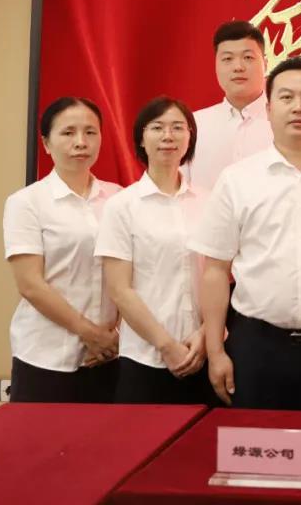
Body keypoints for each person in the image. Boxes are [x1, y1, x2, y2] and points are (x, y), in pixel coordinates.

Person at [189, 56, 301, 410]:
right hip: (257, 347)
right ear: (268, 109)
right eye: (286, 97)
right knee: (259, 442)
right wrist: (216, 351)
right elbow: (215, 270)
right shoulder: (237, 179)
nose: (298, 107)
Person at [3, 97, 121, 402]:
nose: (81, 142)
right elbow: (30, 284)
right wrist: (91, 334)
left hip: (111, 355)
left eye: (90, 132)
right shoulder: (26, 202)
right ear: (46, 143)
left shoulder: (119, 199)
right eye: (68, 132)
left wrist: (114, 336)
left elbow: (131, 275)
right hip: (46, 354)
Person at [96, 97, 212, 404]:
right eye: (157, 128)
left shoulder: (210, 201)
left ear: (190, 137)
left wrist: (206, 333)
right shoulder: (122, 206)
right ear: (141, 139)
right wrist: (166, 346)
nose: (168, 136)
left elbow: (223, 276)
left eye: (178, 128)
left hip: (205, 351)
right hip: (145, 357)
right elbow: (120, 290)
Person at [186, 20, 273, 192]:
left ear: (265, 63)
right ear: (216, 65)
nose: (238, 67)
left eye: (248, 57)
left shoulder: (286, 122)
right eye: (227, 59)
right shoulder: (193, 124)